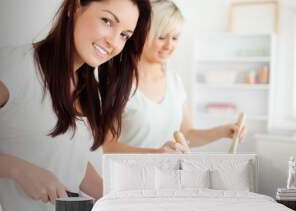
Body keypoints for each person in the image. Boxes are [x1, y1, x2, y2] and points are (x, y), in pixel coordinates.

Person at [0, 0, 151, 211]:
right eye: (107, 21)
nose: (113, 41)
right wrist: (16, 169)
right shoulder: (13, 66)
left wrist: (117, 196)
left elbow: (68, 160)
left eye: (124, 35)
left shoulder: (88, 87)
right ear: (74, 8)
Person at [103, 0, 245, 154]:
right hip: (131, 176)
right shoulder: (119, 82)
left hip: (170, 175)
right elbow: (109, 146)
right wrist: (156, 154)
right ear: (142, 33)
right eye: (162, 37)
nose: (169, 45)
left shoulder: (174, 82)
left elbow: (187, 134)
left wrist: (223, 132)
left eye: (175, 38)